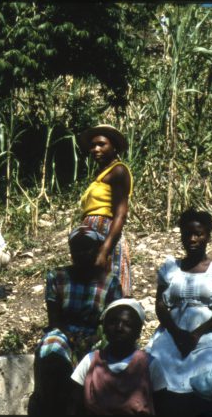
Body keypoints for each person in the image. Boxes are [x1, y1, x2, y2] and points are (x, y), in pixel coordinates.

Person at [145, 209, 212, 416]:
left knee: (207, 368)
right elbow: (160, 304)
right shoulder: (171, 267)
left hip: (208, 332)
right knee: (158, 366)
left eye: (198, 234)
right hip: (172, 331)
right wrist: (176, 333)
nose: (192, 239)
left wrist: (197, 334)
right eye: (187, 234)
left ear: (208, 235)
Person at [28, 226, 122, 416]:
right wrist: (71, 338)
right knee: (51, 348)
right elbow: (55, 320)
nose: (81, 253)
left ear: (97, 249)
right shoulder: (57, 277)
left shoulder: (110, 282)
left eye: (87, 248)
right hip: (64, 331)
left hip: (96, 334)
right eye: (76, 249)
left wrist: (92, 339)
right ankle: (51, 405)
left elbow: (111, 322)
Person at [71, 298, 169, 415]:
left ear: (138, 332)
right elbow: (73, 406)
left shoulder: (150, 365)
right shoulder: (90, 361)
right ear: (104, 329)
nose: (119, 328)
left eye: (127, 324)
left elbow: (163, 408)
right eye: (113, 322)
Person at [77, 124, 134, 297]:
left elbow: (120, 214)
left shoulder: (118, 171)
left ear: (114, 147)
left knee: (111, 291)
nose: (96, 149)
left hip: (105, 233)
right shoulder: (100, 175)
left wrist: (105, 249)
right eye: (93, 145)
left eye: (101, 144)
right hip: (92, 234)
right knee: (91, 292)